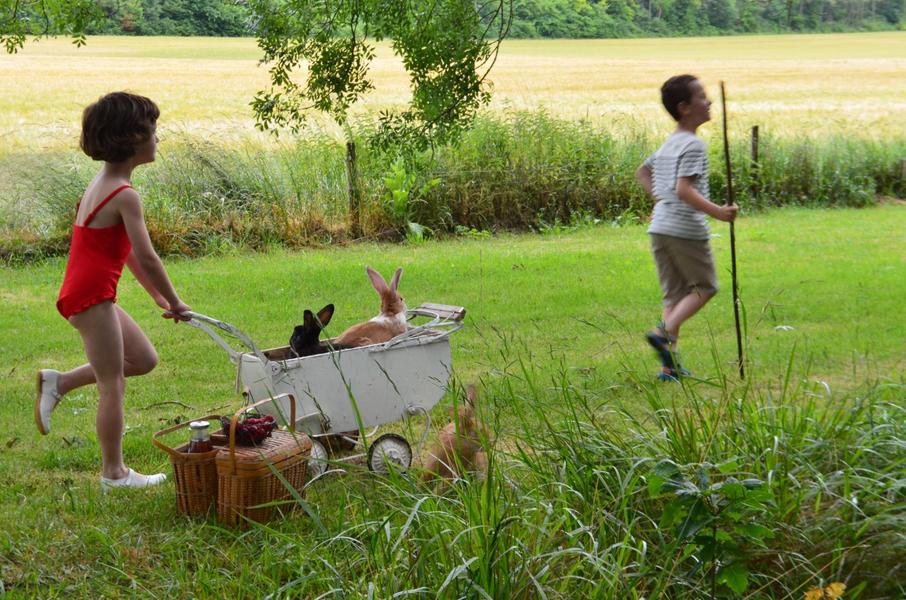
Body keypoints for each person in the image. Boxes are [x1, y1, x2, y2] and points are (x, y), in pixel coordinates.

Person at [35, 92, 191, 489]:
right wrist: (175, 301)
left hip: (89, 294)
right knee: (112, 385)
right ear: (132, 137)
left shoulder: (104, 185)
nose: (158, 138)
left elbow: (122, 253)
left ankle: (61, 382)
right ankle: (114, 473)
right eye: (154, 131)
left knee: (142, 359)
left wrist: (157, 298)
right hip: (91, 299)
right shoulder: (125, 195)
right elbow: (149, 256)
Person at [635, 75, 738, 381]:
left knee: (674, 296)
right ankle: (662, 332)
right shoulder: (693, 145)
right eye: (702, 97)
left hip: (660, 227)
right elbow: (684, 190)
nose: (709, 102)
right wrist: (719, 213)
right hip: (684, 228)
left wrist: (660, 200)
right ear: (684, 108)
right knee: (706, 287)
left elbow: (643, 171)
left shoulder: (671, 143)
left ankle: (669, 367)